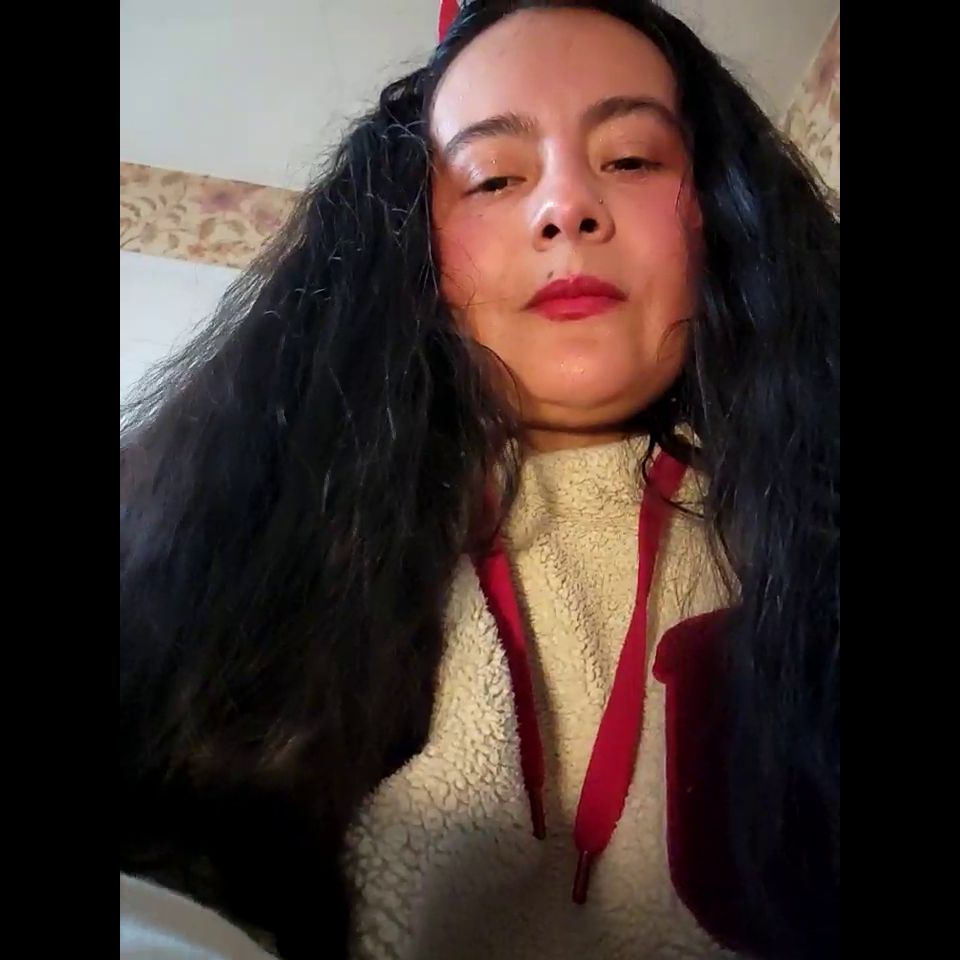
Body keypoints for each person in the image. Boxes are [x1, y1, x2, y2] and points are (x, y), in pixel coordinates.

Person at [119, 2, 840, 959]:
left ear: (718, 214)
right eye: (494, 177)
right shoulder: (242, 550)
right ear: (412, 249)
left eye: (632, 160)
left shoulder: (808, 531)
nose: (566, 208)